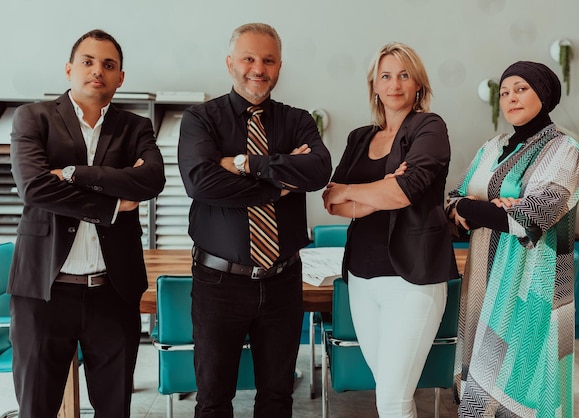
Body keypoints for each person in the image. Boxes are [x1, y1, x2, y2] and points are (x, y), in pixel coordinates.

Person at [8, 29, 165, 417]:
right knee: (37, 407)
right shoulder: (33, 117)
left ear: (120, 77)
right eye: (88, 62)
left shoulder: (135, 127)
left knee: (114, 409)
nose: (99, 71)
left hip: (113, 292)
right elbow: (34, 189)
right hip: (44, 292)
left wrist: (75, 173)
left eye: (109, 65)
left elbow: (152, 180)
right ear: (69, 69)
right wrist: (111, 206)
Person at [177, 22, 332, 418]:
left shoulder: (297, 120)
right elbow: (200, 182)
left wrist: (246, 164)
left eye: (268, 60)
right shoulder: (201, 120)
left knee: (277, 398)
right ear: (231, 63)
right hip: (218, 282)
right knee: (213, 400)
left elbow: (316, 172)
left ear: (279, 66)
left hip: (282, 280)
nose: (257, 69)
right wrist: (278, 182)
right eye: (248, 58)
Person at [322, 42, 458, 418]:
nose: (394, 84)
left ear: (418, 85)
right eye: (386, 76)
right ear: (374, 85)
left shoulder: (429, 126)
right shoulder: (359, 137)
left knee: (393, 399)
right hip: (362, 278)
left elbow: (406, 191)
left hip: (412, 280)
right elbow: (331, 202)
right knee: (388, 388)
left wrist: (357, 192)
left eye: (404, 75)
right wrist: (381, 189)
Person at [447, 61, 579, 417]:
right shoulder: (491, 148)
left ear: (544, 93)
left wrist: (476, 207)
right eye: (504, 92)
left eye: (521, 88)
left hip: (533, 288)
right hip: (483, 282)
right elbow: (450, 203)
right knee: (480, 386)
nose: (511, 98)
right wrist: (470, 206)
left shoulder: (564, 150)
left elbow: (534, 216)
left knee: (523, 387)